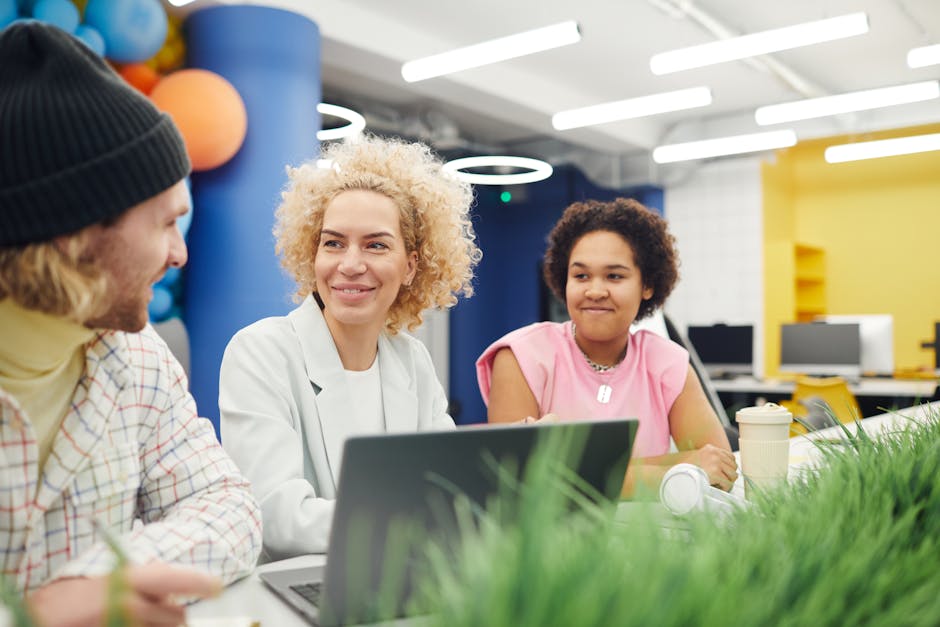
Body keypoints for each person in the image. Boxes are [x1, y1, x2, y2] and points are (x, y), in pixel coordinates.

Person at [0, 22, 262, 625]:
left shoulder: (136, 356)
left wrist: (104, 579)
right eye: (166, 223)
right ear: (74, 232)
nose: (180, 253)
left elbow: (227, 507)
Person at [219, 134, 481, 559]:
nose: (351, 264)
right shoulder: (260, 352)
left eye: (376, 245)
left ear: (411, 266)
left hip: (398, 577)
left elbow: (444, 484)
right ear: (313, 253)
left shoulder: (412, 360)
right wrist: (415, 522)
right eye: (333, 243)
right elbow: (278, 519)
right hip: (294, 594)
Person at [476, 198, 737, 495]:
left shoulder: (668, 363)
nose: (595, 291)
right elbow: (518, 483)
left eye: (614, 276)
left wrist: (575, 470)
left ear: (647, 285)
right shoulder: (521, 357)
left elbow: (720, 470)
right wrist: (675, 468)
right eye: (581, 275)